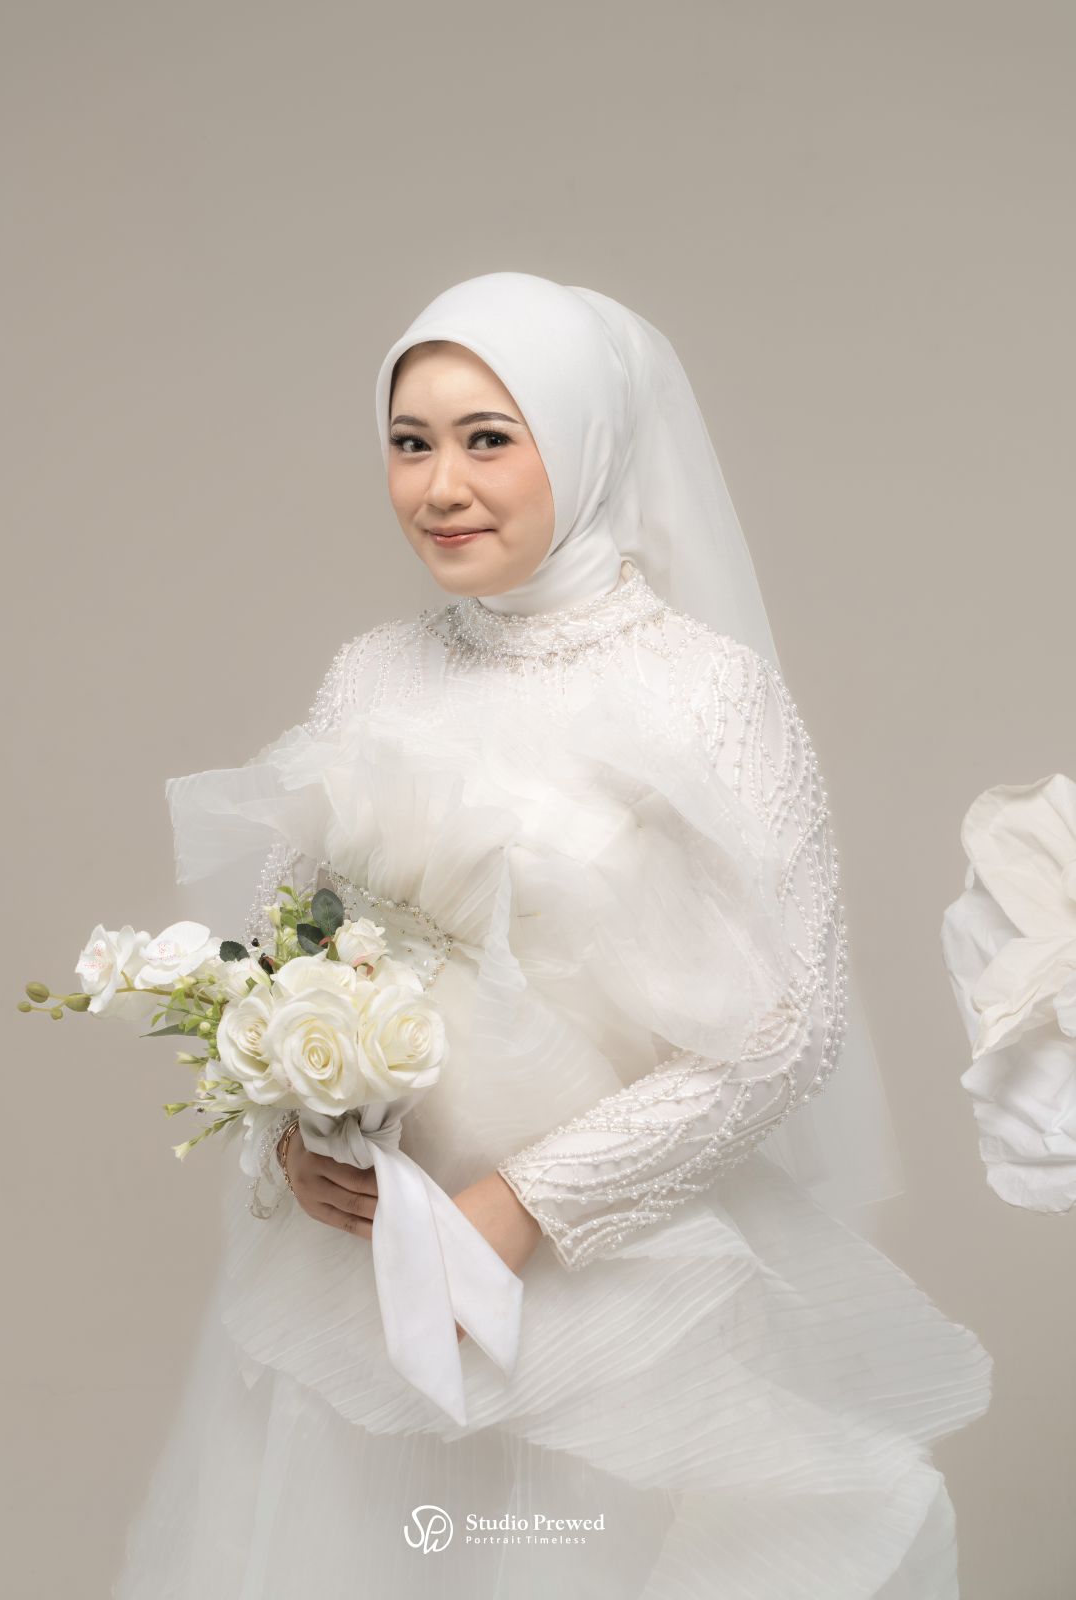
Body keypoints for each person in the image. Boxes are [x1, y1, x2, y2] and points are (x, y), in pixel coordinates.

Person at [112, 272, 992, 1599]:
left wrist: (523, 1207)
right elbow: (285, 951)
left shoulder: (706, 693)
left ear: (583, 446)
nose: (440, 487)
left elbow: (787, 1027)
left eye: (488, 439)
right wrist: (292, 1138)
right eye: (410, 443)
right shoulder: (374, 671)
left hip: (607, 1297)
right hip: (363, 1276)